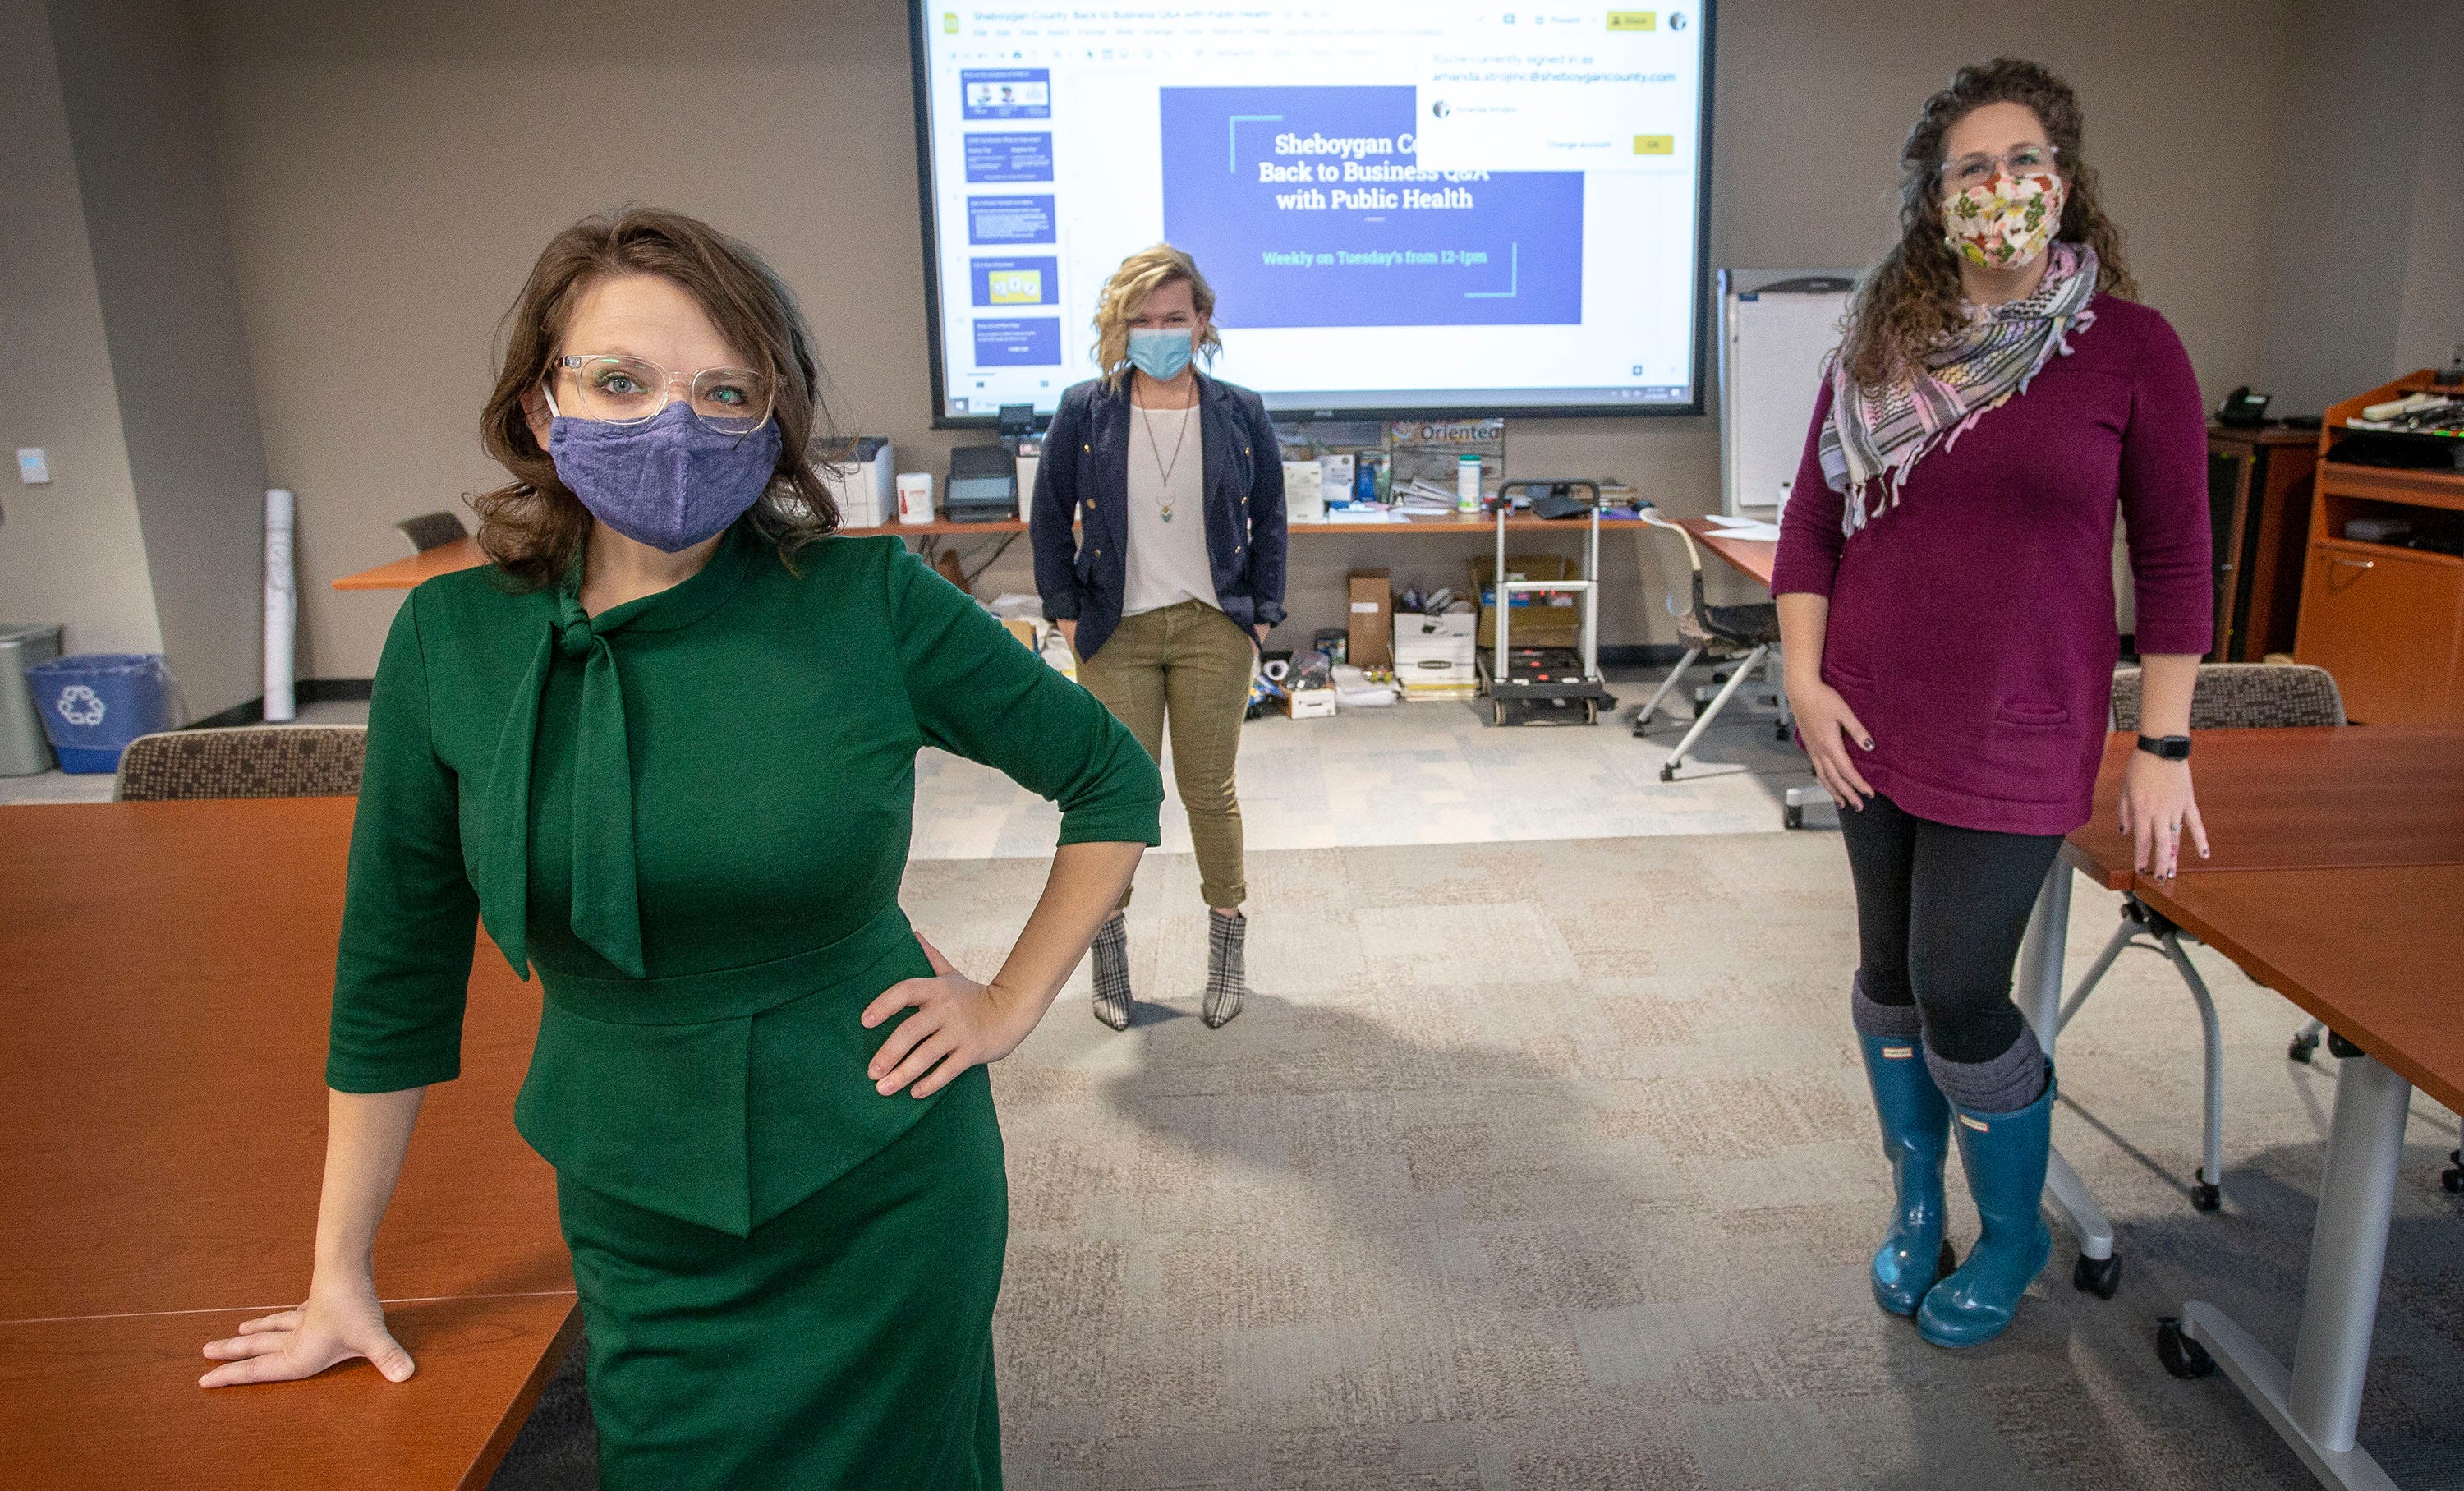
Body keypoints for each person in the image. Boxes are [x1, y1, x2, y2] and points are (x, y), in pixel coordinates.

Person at [199, 208, 1164, 1489]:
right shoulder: (450, 642)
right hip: (634, 1192)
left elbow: (1108, 773)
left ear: (771, 419)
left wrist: (1002, 1002)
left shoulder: (865, 600)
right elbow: (393, 974)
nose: (675, 421)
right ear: (543, 408)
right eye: (621, 380)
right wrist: (337, 1272)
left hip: (880, 1177)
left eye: (724, 390)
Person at [1772, 59, 2212, 1349]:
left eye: (2025, 162)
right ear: (1935, 198)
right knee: (1887, 974)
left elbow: (2180, 558)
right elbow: (1811, 526)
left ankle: (2013, 1227)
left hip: (2025, 723)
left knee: (1962, 984)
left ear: (2063, 184)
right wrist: (1803, 678)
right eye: (1973, 168)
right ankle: (1920, 1197)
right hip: (1869, 714)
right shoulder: (1878, 347)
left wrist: (2166, 741)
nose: (2001, 187)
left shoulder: (2133, 349)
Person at [1029, 244, 1288, 1032]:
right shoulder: (1086, 410)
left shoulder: (1241, 411)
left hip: (1215, 628)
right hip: (1118, 631)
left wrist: (1262, 613)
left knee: (1209, 791)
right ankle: (1109, 947)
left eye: (1174, 317)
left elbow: (1271, 517)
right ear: (1120, 325)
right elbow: (1047, 516)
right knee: (1116, 797)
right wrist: (1066, 612)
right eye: (1142, 319)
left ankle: (1226, 943)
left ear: (1202, 322)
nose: (1159, 331)